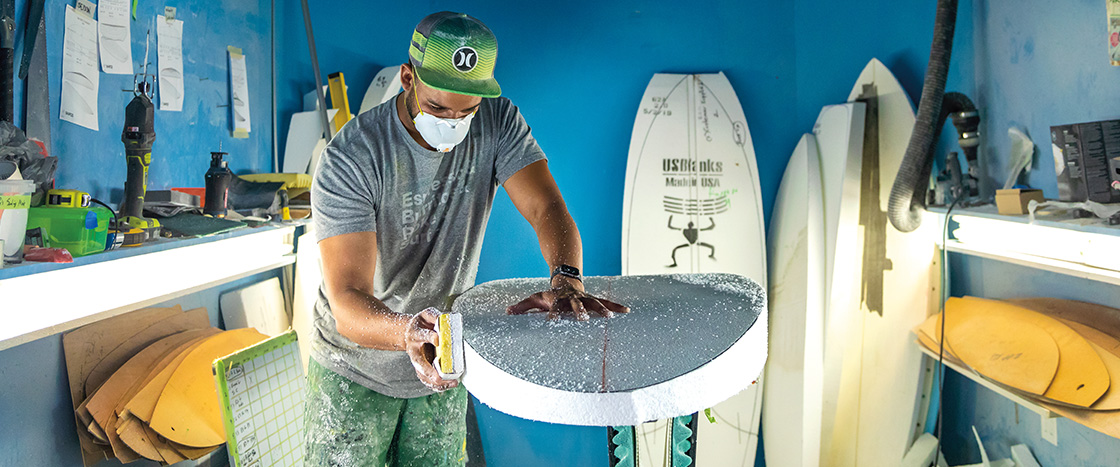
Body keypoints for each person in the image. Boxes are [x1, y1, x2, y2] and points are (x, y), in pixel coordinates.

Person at [303, 11, 629, 466]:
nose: (452, 123)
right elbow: (347, 301)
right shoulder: (353, 157)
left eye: (466, 111)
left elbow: (546, 207)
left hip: (444, 359)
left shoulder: (497, 123)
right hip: (354, 372)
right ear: (407, 78)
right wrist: (407, 332)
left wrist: (567, 280)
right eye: (437, 108)